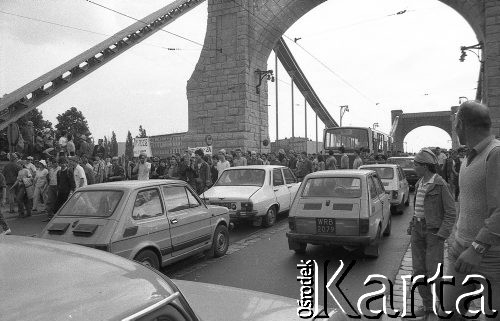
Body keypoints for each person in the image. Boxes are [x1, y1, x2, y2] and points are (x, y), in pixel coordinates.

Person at [441, 101, 500, 320]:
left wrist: (477, 248)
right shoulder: (468, 158)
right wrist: (455, 235)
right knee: (449, 312)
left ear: (461, 125)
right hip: (459, 249)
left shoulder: (495, 154)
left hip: (490, 256)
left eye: (456, 124)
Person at [408, 148, 456, 319]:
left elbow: (451, 212)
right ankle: (427, 305)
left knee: (433, 272)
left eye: (416, 164)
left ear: (425, 166)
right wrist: (412, 224)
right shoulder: (419, 182)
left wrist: (442, 234)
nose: (413, 166)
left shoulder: (439, 183)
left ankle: (439, 303)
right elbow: (418, 209)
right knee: (418, 271)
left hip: (433, 232)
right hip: (417, 231)